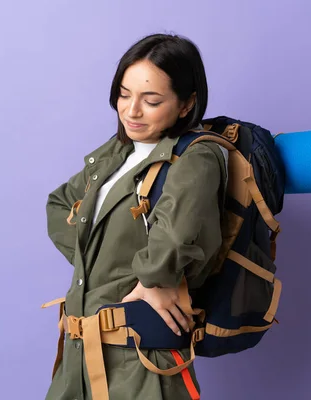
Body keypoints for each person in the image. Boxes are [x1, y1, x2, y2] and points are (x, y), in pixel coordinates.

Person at [44, 33, 228, 400]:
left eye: (152, 100)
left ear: (186, 103)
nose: (131, 111)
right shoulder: (116, 152)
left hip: (141, 365)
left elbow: (172, 243)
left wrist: (154, 279)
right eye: (124, 94)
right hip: (78, 358)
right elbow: (58, 206)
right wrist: (99, 261)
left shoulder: (195, 159)